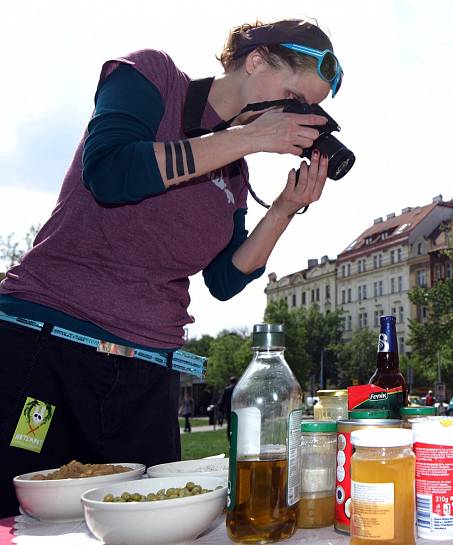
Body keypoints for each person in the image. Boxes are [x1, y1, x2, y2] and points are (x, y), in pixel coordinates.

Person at [0, 19, 341, 516]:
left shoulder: (234, 174)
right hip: (51, 348)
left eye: (308, 109)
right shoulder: (153, 76)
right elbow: (111, 172)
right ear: (256, 60)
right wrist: (245, 139)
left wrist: (284, 209)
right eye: (293, 95)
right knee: (20, 518)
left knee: (153, 521)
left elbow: (224, 279)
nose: (294, 115)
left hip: (147, 378)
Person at [219, 376, 238, 442]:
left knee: (229, 426)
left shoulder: (227, 389)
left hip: (229, 410)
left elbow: (223, 400)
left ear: (230, 381)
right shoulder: (238, 389)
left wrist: (220, 407)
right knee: (237, 425)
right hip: (237, 410)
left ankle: (230, 440)